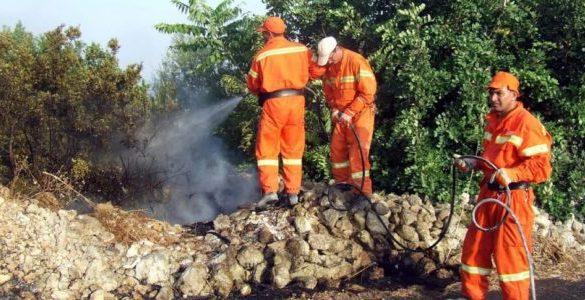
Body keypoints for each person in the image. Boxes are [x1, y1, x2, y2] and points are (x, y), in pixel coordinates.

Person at [454, 71, 553, 300]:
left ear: (513, 94)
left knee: (511, 258)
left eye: (498, 93)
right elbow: (493, 159)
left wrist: (513, 173)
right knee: (474, 249)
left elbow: (542, 168)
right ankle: (472, 296)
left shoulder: (526, 123)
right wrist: (473, 162)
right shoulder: (494, 121)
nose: (493, 98)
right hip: (488, 195)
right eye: (491, 93)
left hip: (513, 199)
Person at [246, 16, 319, 208]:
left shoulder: (261, 56)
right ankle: (292, 193)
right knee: (293, 149)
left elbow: (253, 85)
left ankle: (270, 191)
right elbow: (316, 71)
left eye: (264, 33)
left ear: (268, 33)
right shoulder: (302, 49)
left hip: (274, 104)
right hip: (297, 102)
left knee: (267, 149)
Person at [315, 36, 377, 201]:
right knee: (337, 151)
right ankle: (343, 185)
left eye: (329, 57)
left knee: (358, 154)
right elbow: (329, 93)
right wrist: (335, 109)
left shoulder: (356, 61)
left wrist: (350, 112)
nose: (327, 61)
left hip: (361, 114)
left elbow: (368, 93)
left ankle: (363, 193)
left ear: (336, 50)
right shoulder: (330, 68)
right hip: (342, 116)